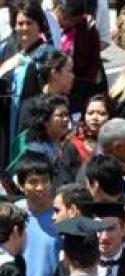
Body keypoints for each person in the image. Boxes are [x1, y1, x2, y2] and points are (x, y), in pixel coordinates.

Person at [0, 0, 52, 166]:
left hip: (31, 123)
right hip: (6, 121)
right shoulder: (7, 49)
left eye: (29, 23)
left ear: (39, 25)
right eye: (19, 23)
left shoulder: (48, 55)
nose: (24, 28)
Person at [15, 152, 61, 276]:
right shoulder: (13, 215)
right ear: (21, 185)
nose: (40, 187)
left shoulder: (62, 215)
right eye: (33, 182)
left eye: (45, 181)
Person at [52, 0, 104, 111]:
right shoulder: (47, 25)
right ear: (58, 10)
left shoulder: (87, 28)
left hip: (78, 87)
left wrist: (85, 84)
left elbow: (93, 60)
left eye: (73, 21)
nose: (68, 23)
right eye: (65, 18)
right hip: (53, 86)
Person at [23, 94, 81, 187]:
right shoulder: (37, 151)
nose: (66, 119)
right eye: (60, 115)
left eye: (66, 115)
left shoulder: (65, 147)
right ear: (45, 120)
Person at [71, 94, 115, 163]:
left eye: (102, 114)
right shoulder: (74, 143)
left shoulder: (116, 141)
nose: (94, 118)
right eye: (90, 113)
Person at [0, 203, 28, 276]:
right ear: (16, 231)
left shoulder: (17, 261)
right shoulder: (10, 271)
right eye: (25, 230)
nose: (26, 236)